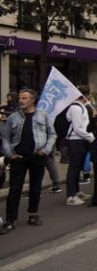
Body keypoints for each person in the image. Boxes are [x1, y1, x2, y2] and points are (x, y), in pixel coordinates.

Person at [0, 89, 56, 235]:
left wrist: (45, 150)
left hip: (37, 156)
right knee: (15, 189)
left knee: (35, 187)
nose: (21, 101)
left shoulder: (43, 115)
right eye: (20, 98)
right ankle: (10, 220)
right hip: (18, 157)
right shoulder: (13, 117)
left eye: (24, 98)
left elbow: (52, 134)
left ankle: (33, 214)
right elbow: (5, 137)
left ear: (32, 100)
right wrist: (9, 154)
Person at [64, 86, 95, 206]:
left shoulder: (81, 107)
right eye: (89, 94)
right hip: (76, 140)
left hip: (81, 140)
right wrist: (89, 136)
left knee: (78, 168)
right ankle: (71, 196)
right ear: (85, 95)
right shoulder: (75, 108)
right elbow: (77, 128)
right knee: (74, 168)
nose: (90, 96)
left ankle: (76, 192)